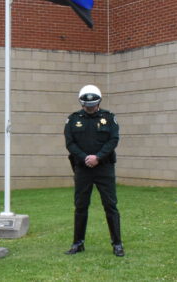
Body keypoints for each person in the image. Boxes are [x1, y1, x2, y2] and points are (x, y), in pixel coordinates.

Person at [64, 85, 124, 257]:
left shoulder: (109, 118)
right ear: (81, 103)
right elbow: (70, 143)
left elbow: (113, 140)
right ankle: (78, 243)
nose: (89, 108)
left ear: (98, 102)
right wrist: (85, 158)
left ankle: (117, 244)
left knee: (110, 205)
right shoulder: (73, 119)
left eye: (92, 105)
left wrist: (98, 157)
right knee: (81, 206)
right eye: (86, 105)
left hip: (104, 168)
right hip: (83, 169)